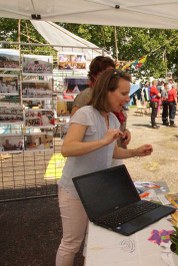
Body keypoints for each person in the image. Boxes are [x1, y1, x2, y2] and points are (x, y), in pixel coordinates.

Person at [56, 69, 153, 266]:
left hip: (97, 192)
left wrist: (135, 152)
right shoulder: (85, 114)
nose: (127, 99)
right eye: (123, 93)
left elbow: (112, 152)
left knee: (93, 242)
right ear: (107, 91)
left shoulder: (113, 118)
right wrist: (103, 141)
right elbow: (67, 148)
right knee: (71, 244)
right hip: (74, 191)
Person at [70, 56, 131, 149]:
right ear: (95, 76)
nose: (111, 77)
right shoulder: (85, 96)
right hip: (95, 154)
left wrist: (124, 131)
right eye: (107, 74)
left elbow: (114, 123)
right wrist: (102, 141)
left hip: (113, 153)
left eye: (112, 73)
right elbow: (74, 130)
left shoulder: (112, 95)